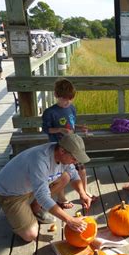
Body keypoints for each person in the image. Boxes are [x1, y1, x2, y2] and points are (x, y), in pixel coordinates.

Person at [0, 133, 93, 242]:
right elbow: (42, 196)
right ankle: (14, 214)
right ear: (62, 151)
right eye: (74, 158)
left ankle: (35, 208)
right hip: (10, 193)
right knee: (30, 234)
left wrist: (82, 194)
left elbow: (73, 175)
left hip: (31, 186)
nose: (76, 162)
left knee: (66, 176)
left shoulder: (63, 154)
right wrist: (70, 220)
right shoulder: (40, 160)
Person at [42, 78, 93, 209]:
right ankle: (61, 197)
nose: (67, 102)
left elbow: (71, 124)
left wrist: (80, 127)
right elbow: (46, 129)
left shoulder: (71, 108)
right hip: (59, 147)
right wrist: (59, 129)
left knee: (81, 168)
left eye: (70, 99)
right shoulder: (50, 112)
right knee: (60, 174)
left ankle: (84, 190)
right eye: (64, 99)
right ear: (56, 96)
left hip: (73, 145)